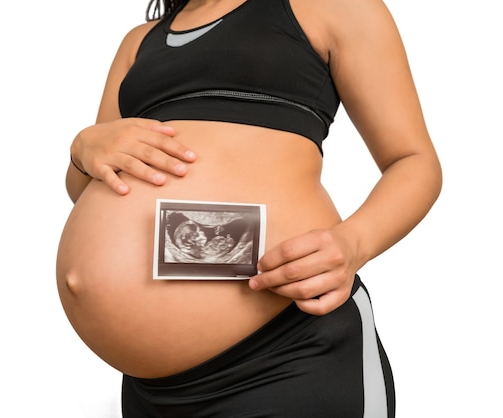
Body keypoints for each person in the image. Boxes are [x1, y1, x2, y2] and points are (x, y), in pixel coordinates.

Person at [56, 0, 442, 416]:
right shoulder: (139, 42)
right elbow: (88, 187)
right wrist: (83, 149)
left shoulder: (329, 7)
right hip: (152, 390)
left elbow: (414, 162)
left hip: (287, 354)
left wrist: (353, 242)